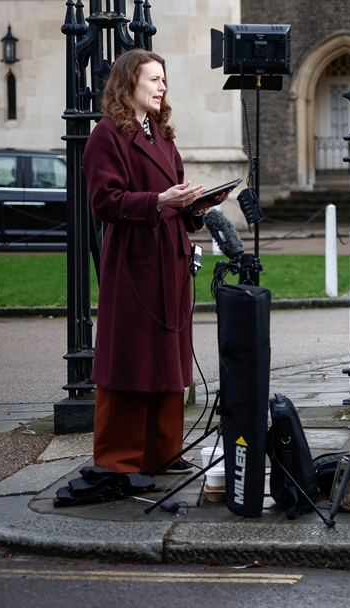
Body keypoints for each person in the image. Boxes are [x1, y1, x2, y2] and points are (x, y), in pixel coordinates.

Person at [82, 49, 231, 476]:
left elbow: (178, 203)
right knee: (131, 360)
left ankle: (162, 453)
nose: (161, 87)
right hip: (134, 260)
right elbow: (104, 202)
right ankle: (119, 460)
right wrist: (158, 201)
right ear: (129, 83)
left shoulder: (163, 135)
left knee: (168, 359)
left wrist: (197, 207)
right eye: (153, 79)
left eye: (164, 80)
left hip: (171, 259)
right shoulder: (107, 135)